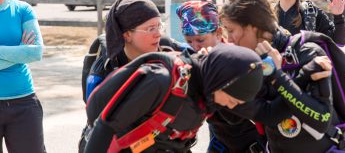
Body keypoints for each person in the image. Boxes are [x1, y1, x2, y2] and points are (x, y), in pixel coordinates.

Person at [220, 0, 345, 153]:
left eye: (231, 30)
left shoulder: (306, 52)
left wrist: (277, 76)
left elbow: (321, 119)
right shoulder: (250, 63)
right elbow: (267, 114)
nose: (229, 39)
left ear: (252, 27)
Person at [83, 43, 264, 153]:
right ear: (222, 81)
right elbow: (105, 126)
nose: (230, 106)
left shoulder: (206, 94)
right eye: (232, 100)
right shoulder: (161, 80)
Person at [80, 0, 191, 152]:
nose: (158, 33)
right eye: (150, 28)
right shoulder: (106, 65)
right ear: (127, 34)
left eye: (159, 26)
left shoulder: (169, 50)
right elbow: (95, 118)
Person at [176, 0, 267, 153]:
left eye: (200, 40)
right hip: (219, 142)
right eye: (189, 41)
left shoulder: (238, 62)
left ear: (218, 33)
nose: (195, 47)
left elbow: (235, 117)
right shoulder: (194, 60)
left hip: (252, 144)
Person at [0, 0, 46, 152]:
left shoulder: (23, 10)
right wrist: (18, 51)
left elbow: (35, 52)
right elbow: (25, 53)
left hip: (24, 104)